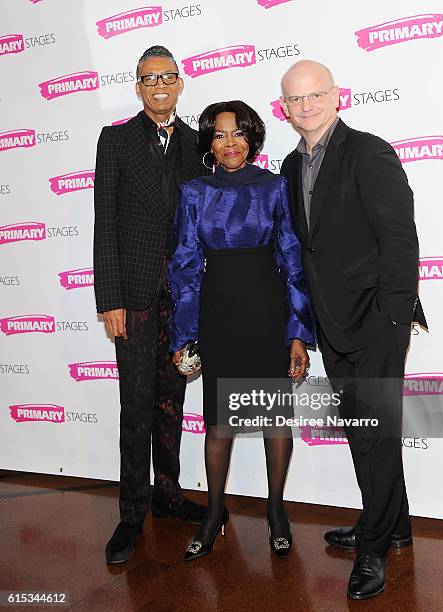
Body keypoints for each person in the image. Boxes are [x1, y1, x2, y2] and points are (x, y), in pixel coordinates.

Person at [279, 60, 427, 600]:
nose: (306, 106)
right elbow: (305, 249)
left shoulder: (368, 151)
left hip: (377, 321)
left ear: (336, 96)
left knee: (376, 434)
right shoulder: (289, 169)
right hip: (331, 323)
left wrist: (393, 316)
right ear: (286, 109)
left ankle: (373, 545)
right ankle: (396, 525)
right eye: (296, 99)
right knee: (367, 429)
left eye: (315, 94)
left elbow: (399, 238)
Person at [167, 100, 315, 561]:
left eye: (238, 133)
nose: (229, 143)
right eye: (219, 135)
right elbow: (186, 264)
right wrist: (184, 334)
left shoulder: (275, 187)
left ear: (252, 137)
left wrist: (297, 331)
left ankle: (275, 511)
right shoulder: (194, 191)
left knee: (275, 419)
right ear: (209, 142)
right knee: (218, 422)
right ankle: (213, 512)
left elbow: (292, 260)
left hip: (268, 311)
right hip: (219, 312)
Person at [93, 45, 207, 565]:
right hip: (134, 298)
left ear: (180, 84)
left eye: (167, 76)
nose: (158, 85)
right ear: (137, 87)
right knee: (136, 405)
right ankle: (132, 513)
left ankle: (169, 493)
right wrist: (110, 297)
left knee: (171, 401)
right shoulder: (114, 141)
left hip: (182, 298)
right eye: (148, 78)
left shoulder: (197, 143)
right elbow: (105, 222)